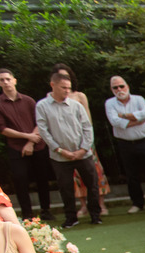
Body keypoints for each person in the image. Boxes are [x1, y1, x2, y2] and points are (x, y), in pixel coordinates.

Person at [35, 71, 102, 229]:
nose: (67, 91)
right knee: (65, 188)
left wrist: (83, 148)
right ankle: (71, 217)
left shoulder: (76, 105)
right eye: (63, 88)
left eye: (69, 88)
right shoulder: (42, 106)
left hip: (83, 154)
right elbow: (44, 131)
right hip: (60, 157)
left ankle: (95, 215)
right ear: (53, 85)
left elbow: (87, 127)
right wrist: (59, 150)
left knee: (92, 184)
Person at [0, 68, 53, 221]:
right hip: (15, 147)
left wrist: (31, 142)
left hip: (37, 145)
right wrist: (27, 137)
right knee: (20, 179)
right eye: (2, 80)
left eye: (8, 79)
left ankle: (46, 210)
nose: (6, 82)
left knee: (42, 178)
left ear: (14, 80)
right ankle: (27, 214)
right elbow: (2, 129)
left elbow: (40, 122)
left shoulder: (28, 100)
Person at [51, 64, 110, 220]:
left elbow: (87, 121)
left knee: (94, 174)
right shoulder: (49, 101)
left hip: (85, 145)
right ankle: (83, 206)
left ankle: (99, 205)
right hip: (65, 148)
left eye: (67, 77)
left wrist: (87, 144)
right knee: (74, 178)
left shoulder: (80, 97)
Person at [104, 76, 145, 214]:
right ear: (111, 89)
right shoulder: (110, 103)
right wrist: (135, 119)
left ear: (127, 86)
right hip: (125, 144)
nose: (119, 90)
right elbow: (115, 122)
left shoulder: (139, 99)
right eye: (115, 87)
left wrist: (123, 115)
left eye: (121, 86)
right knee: (131, 176)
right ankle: (137, 203)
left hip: (144, 141)